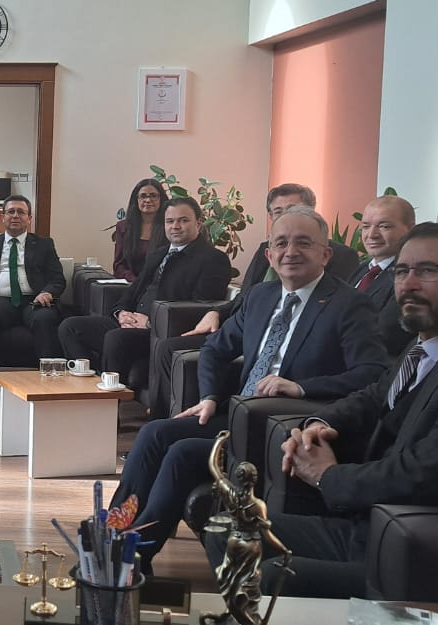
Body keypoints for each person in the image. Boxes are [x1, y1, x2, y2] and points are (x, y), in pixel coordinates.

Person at [257, 222, 438, 597]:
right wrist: (316, 423)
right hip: (381, 531)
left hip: (432, 558)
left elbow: (421, 475)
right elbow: (372, 397)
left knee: (270, 576)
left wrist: (327, 476)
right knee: (234, 530)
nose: (408, 284)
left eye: (427, 270)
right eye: (401, 271)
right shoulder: (426, 347)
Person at [111, 206, 387, 560]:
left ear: (325, 254)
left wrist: (302, 387)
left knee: (182, 453)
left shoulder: (349, 305)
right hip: (238, 413)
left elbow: (373, 373)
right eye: (281, 243)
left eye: (304, 243)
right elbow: (215, 349)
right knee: (154, 433)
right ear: (269, 255)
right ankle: (114, 530)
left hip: (283, 425)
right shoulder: (261, 296)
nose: (290, 252)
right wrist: (210, 396)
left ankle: (133, 555)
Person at [146, 184, 360, 407]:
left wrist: (301, 387)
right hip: (248, 331)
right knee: (168, 359)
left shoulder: (341, 274)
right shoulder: (264, 261)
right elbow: (246, 296)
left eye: (293, 209)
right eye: (278, 212)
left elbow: (326, 308)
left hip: (291, 393)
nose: (290, 251)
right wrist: (216, 312)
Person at [60, 197, 229, 397]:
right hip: (132, 323)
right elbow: (134, 290)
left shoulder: (213, 259)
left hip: (162, 332)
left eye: (183, 220)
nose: (175, 226)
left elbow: (201, 309)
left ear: (198, 224)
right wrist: (121, 313)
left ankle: (109, 403)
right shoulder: (159, 254)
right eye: (170, 221)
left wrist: (150, 323)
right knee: (70, 327)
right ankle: (89, 389)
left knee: (116, 338)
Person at [0, 194, 67, 404]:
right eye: (10, 212)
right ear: (3, 217)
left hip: (35, 300)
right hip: (2, 301)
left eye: (21, 212)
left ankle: (48, 382)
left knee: (44, 319)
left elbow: (58, 278)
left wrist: (48, 292)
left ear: (29, 218)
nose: (15, 216)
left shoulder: (44, 244)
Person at [349, 195, 416, 357]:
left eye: (384, 226)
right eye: (366, 226)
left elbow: (385, 333)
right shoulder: (361, 270)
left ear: (410, 229)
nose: (371, 234)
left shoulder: (409, 276)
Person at [112, 178, 169, 281]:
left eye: (153, 196)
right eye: (143, 196)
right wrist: (136, 282)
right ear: (136, 200)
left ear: (161, 199)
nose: (148, 200)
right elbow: (119, 265)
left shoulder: (169, 226)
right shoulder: (123, 227)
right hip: (130, 285)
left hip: (160, 285)